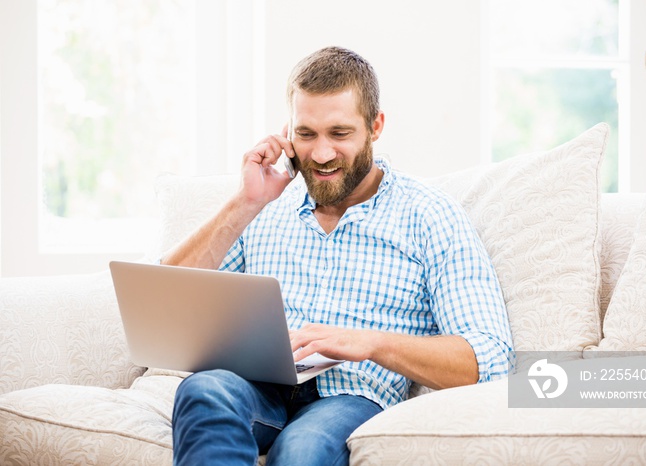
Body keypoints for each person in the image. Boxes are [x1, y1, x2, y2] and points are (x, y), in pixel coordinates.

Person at [165, 46, 513, 466]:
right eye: (306, 134)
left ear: (375, 126)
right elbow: (167, 300)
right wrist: (245, 202)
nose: (322, 154)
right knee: (204, 390)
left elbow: (488, 358)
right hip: (259, 387)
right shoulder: (263, 208)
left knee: (303, 449)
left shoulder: (429, 214)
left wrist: (368, 342)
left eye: (340, 133)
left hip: (352, 394)